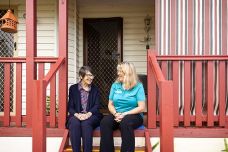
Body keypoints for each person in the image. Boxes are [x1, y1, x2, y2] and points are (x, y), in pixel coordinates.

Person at [100, 62, 146, 152]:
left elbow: (141, 107)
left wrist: (125, 114)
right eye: (118, 71)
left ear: (128, 73)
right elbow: (110, 104)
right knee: (105, 122)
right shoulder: (115, 85)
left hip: (133, 114)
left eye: (120, 71)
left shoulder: (138, 86)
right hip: (117, 114)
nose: (118, 73)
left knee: (125, 123)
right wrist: (116, 113)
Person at [66, 66, 103, 152]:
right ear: (81, 76)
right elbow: (70, 106)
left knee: (86, 123)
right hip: (77, 115)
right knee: (74, 123)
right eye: (88, 75)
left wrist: (88, 114)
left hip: (92, 115)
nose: (90, 78)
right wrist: (77, 115)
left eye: (92, 75)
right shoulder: (73, 88)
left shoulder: (95, 89)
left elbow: (97, 106)